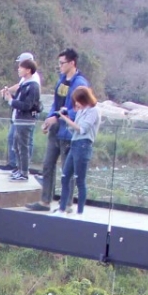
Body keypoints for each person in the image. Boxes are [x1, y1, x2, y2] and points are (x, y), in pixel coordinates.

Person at [27, 48, 90, 212]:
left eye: (62, 63)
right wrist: (50, 120)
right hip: (56, 130)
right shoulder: (61, 81)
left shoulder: (80, 84)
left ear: (72, 63)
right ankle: (45, 201)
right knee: (48, 165)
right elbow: (56, 103)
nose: (60, 66)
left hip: (69, 132)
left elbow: (79, 108)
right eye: (59, 63)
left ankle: (67, 203)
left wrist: (59, 117)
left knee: (67, 170)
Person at [56, 86, 101, 215]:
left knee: (80, 181)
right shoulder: (81, 111)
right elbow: (73, 129)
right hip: (74, 144)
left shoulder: (93, 111)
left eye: (78, 100)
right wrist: (67, 118)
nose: (76, 104)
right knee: (65, 177)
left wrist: (65, 118)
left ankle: (80, 212)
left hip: (83, 145)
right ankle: (62, 209)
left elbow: (82, 129)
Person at [0, 52, 40, 173]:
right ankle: (17, 166)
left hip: (25, 119)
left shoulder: (33, 82)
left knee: (24, 144)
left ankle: (22, 169)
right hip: (18, 117)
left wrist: (11, 100)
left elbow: (27, 104)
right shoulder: (25, 80)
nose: (18, 68)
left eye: (21, 65)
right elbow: (19, 90)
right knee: (15, 141)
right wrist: (9, 94)